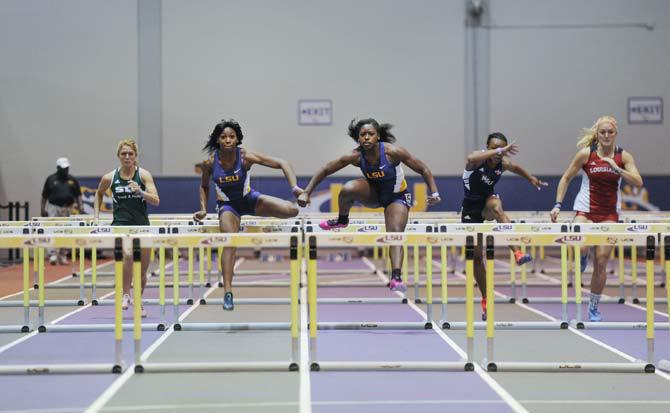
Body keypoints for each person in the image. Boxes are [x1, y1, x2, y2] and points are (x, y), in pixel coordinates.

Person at [297, 118, 441, 292]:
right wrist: (307, 192)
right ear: (358, 138)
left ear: (378, 136)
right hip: (374, 194)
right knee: (348, 189)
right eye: (362, 135)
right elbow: (326, 169)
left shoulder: (392, 152)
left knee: (395, 233)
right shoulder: (356, 156)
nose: (366, 137)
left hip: (397, 197)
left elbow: (423, 169)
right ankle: (343, 220)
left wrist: (434, 193)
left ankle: (396, 276)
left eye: (370, 134)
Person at [193, 119, 302, 310]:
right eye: (223, 137)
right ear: (218, 140)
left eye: (231, 137)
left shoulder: (245, 157)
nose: (227, 140)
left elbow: (283, 163)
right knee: (230, 242)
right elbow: (203, 186)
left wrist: (294, 188)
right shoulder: (210, 163)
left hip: (250, 200)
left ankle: (285, 204)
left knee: (292, 210)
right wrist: (203, 208)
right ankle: (227, 292)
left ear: (237, 139)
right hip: (228, 207)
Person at [550, 116, 642, 322]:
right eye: (603, 132)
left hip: (609, 214)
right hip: (585, 211)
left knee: (601, 261)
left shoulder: (623, 156)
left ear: (615, 134)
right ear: (597, 134)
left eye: (610, 132)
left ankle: (593, 306)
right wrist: (557, 204)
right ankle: (582, 256)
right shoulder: (586, 154)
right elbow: (566, 177)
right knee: (581, 245)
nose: (607, 135)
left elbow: (638, 181)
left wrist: (617, 168)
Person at [462, 132, 547, 320]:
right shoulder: (476, 162)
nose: (499, 153)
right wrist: (498, 150)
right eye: (494, 148)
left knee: (498, 206)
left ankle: (517, 252)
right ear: (487, 147)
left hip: (487, 204)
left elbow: (516, 167)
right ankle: (485, 299)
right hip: (470, 209)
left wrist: (530, 178)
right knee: (477, 257)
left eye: (502, 149)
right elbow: (470, 157)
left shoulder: (503, 164)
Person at [94, 139, 160, 318]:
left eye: (130, 153)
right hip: (120, 226)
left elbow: (156, 200)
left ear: (135, 156)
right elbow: (98, 194)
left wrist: (141, 192)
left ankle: (138, 301)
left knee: (142, 270)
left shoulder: (144, 175)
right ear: (119, 156)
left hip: (142, 226)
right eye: (124, 153)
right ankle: (125, 294)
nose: (127, 156)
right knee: (129, 256)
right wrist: (96, 217)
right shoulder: (110, 177)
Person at [41, 157, 83, 265]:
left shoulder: (72, 180)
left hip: (68, 208)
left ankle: (63, 255)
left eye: (67, 168)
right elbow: (44, 196)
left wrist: (80, 206)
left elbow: (78, 194)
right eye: (63, 168)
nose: (66, 170)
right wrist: (42, 209)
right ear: (58, 168)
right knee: (52, 230)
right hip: (53, 207)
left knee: (66, 231)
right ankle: (53, 255)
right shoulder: (50, 179)